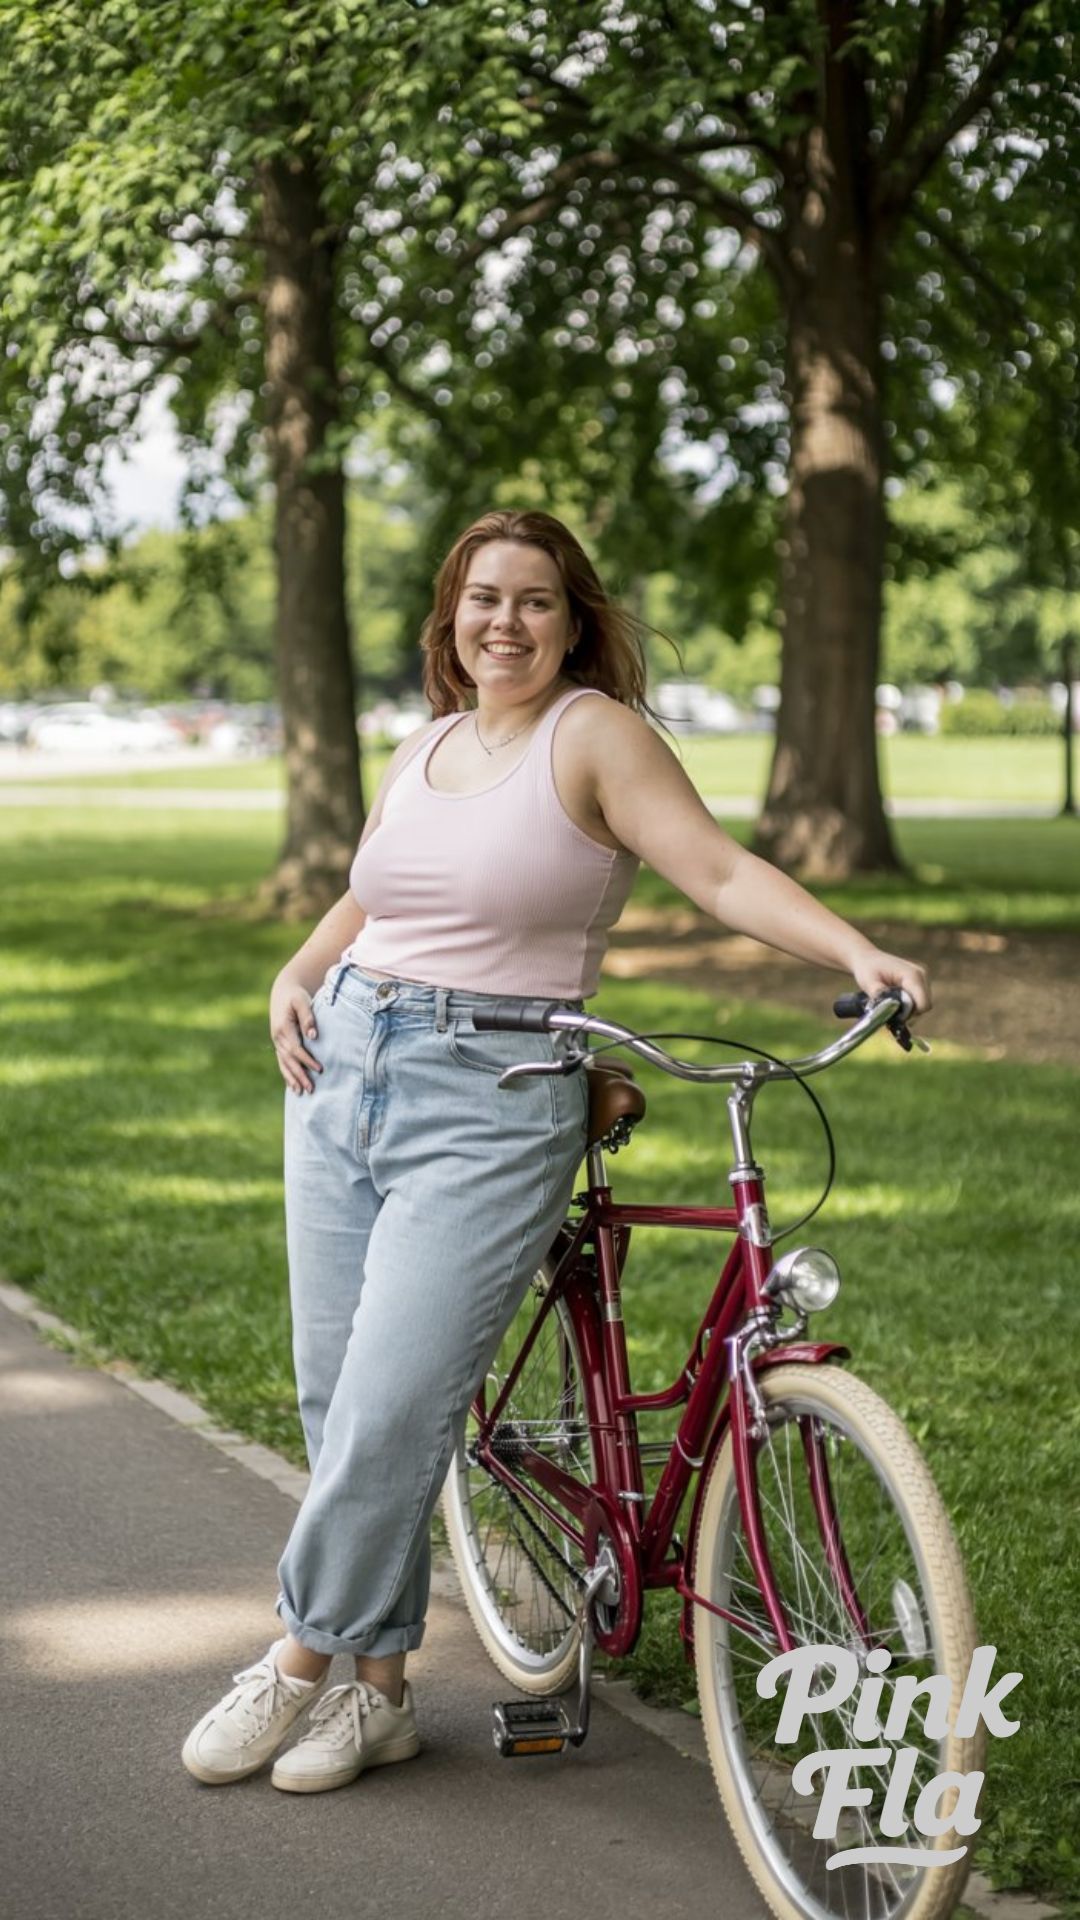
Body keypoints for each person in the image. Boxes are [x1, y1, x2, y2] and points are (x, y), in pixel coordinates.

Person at [182, 508, 930, 1795]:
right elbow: (377, 893)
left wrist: (856, 950)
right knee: (336, 1397)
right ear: (451, 617)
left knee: (390, 1406)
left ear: (574, 621)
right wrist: (295, 974)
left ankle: (297, 1657)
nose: (506, 622)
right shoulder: (426, 743)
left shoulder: (594, 737)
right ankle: (379, 1696)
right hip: (343, 1068)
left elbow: (717, 871)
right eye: (484, 598)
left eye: (535, 600)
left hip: (499, 1089)